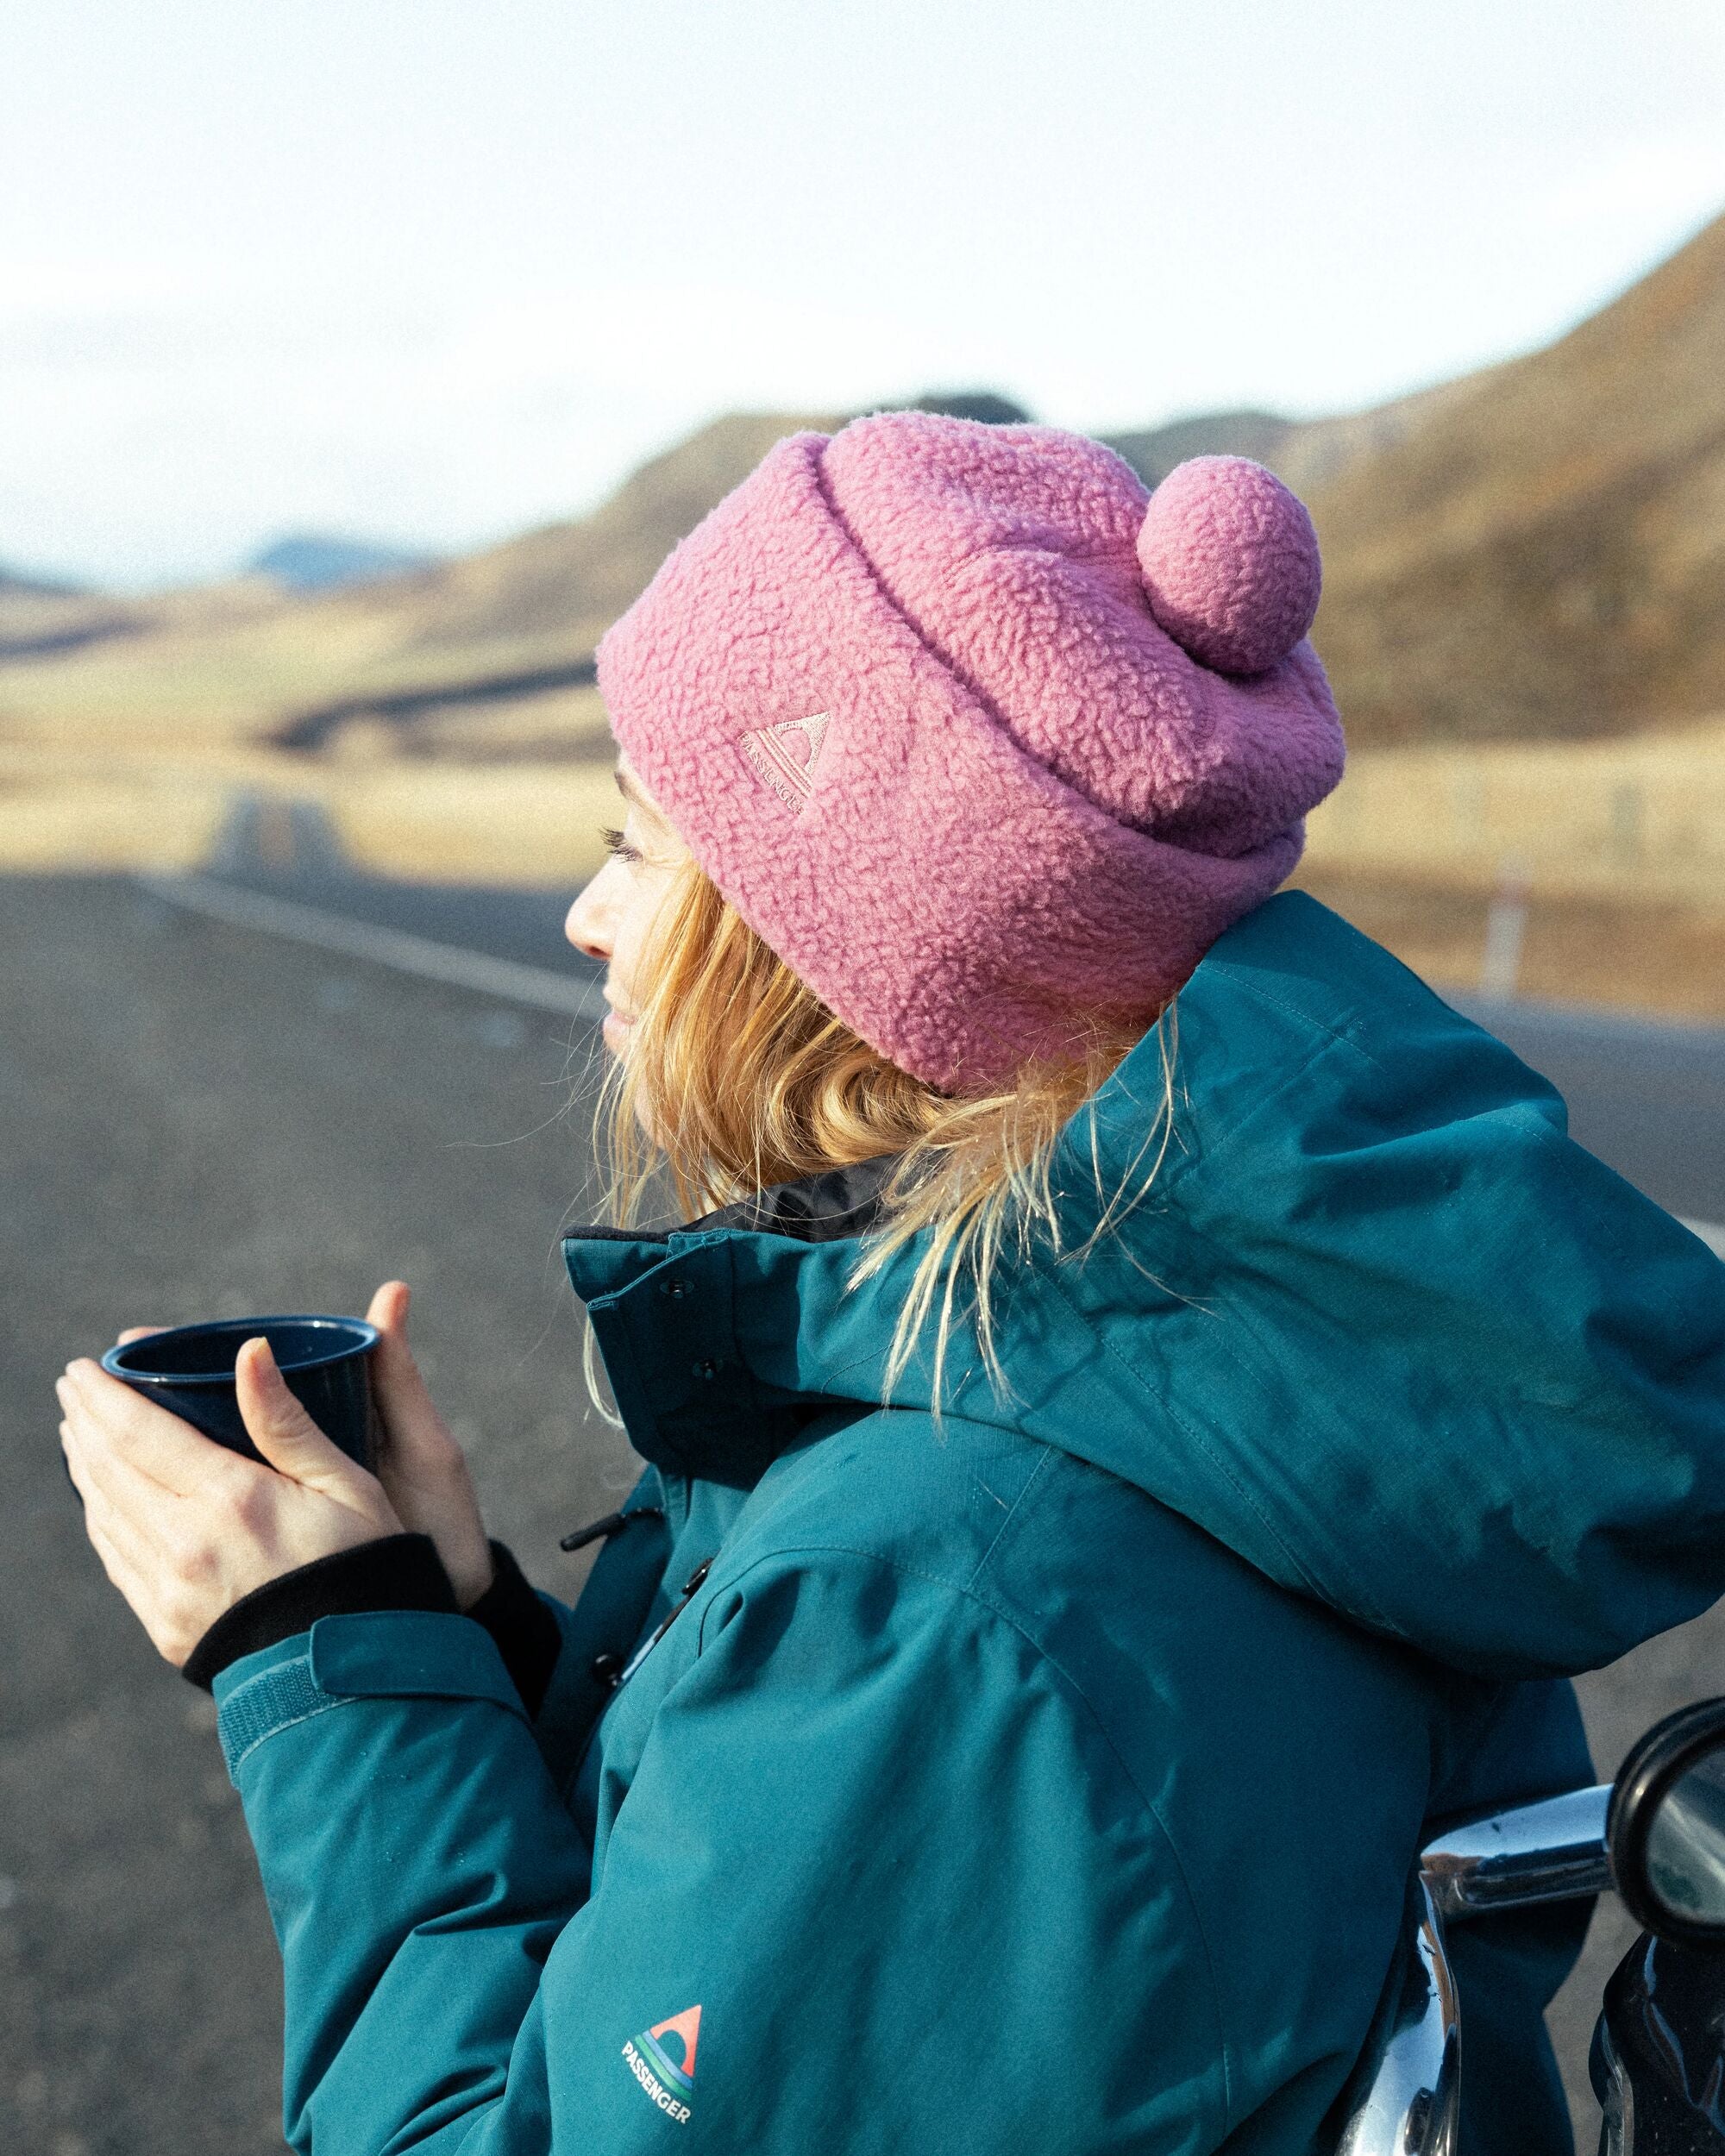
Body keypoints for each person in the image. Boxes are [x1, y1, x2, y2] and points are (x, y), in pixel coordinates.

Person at [57, 414, 1725, 2156]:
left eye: (636, 847)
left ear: (817, 934)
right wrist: (459, 1625)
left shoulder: (954, 1595)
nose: (581, 916)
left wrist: (319, 1660)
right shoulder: (1262, 1379)